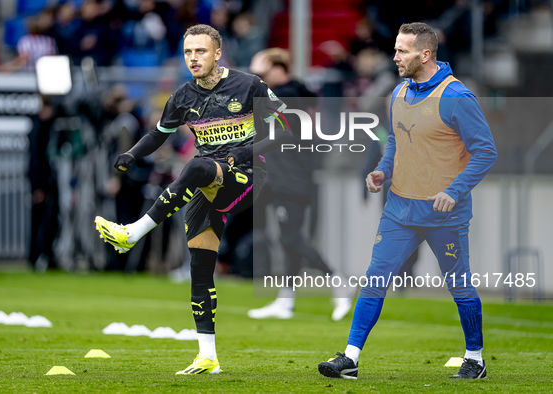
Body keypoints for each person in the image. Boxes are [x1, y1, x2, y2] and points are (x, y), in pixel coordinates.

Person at [95, 24, 288, 375]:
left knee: (197, 166)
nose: (193, 58)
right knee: (200, 271)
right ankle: (207, 356)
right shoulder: (183, 96)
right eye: (187, 52)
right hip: (208, 181)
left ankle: (134, 232)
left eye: (200, 51)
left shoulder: (249, 85)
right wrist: (132, 154)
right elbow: (159, 133)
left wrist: (245, 153)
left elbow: (285, 126)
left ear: (218, 53)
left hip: (249, 176)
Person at [318, 22, 497, 380]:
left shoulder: (456, 97)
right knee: (374, 280)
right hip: (399, 208)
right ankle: (350, 358)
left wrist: (454, 191)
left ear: (425, 55)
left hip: (444, 213)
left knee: (459, 286)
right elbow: (396, 144)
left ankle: (474, 359)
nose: (395, 56)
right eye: (396, 49)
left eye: (403, 51)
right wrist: (383, 171)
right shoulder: (399, 92)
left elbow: (485, 152)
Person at [246, 48, 354, 321]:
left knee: (291, 238)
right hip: (278, 176)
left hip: (291, 178)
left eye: (262, 72)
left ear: (278, 68)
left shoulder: (289, 95)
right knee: (287, 238)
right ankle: (285, 300)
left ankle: (337, 278)